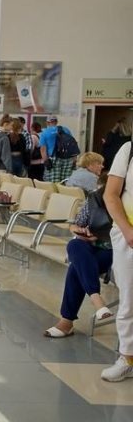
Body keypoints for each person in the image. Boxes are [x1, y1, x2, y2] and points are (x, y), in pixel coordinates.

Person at [44, 175, 113, 338]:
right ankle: (96, 299)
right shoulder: (94, 199)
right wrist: (80, 231)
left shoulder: (126, 204)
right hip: (90, 247)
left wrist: (100, 236)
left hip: (114, 250)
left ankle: (67, 321)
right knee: (74, 244)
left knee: (76, 267)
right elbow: (75, 224)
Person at [101, 140, 133, 382]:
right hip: (128, 235)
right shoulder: (128, 150)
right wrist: (127, 230)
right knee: (129, 299)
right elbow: (110, 195)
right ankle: (127, 358)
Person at [40, 115, 77, 183]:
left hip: (54, 159)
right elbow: (73, 145)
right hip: (68, 158)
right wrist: (74, 160)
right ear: (56, 122)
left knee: (53, 183)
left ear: (47, 123)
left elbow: (43, 149)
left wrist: (46, 161)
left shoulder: (45, 132)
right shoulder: (66, 130)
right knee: (65, 181)